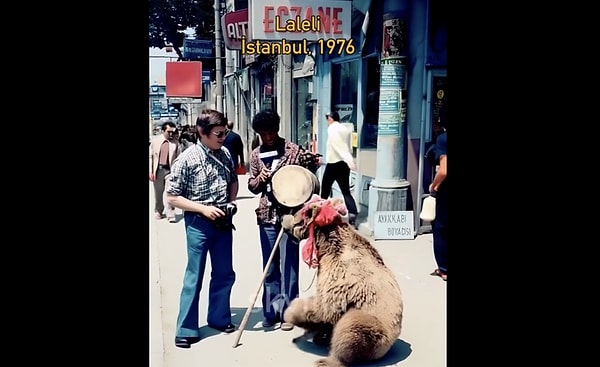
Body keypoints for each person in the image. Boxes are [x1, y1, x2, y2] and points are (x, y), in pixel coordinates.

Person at [166, 109, 239, 348]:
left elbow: (233, 181)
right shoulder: (187, 159)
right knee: (194, 277)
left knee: (224, 273)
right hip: (198, 224)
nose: (222, 138)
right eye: (218, 134)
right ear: (202, 132)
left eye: (224, 133)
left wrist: (230, 202)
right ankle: (186, 328)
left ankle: (219, 318)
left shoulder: (226, 153)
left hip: (223, 222)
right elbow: (172, 197)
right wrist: (202, 209)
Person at [247, 110, 319, 331]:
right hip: (267, 215)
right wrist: (262, 177)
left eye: (270, 132)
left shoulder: (294, 150)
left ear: (277, 129)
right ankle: (271, 311)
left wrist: (313, 164)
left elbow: (308, 178)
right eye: (263, 134)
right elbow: (252, 186)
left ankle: (289, 313)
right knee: (270, 266)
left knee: (290, 265)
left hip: (290, 215)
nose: (267, 137)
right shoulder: (256, 154)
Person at [320, 111, 359, 226]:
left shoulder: (332, 129)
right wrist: (349, 160)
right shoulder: (345, 129)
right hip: (343, 164)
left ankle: (321, 213)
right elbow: (347, 146)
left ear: (331, 119)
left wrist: (348, 159)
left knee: (325, 190)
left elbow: (338, 146)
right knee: (346, 191)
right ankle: (353, 213)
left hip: (333, 163)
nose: (327, 120)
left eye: (327, 118)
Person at [429, 114, 447, 281]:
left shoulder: (443, 139)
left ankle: (444, 269)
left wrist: (434, 185)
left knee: (441, 228)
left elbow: (444, 170)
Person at [149, 122, 181, 219]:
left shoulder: (175, 143)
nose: (171, 134)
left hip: (170, 171)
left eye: (172, 132)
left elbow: (180, 158)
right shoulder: (155, 141)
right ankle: (159, 210)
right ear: (163, 131)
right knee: (158, 192)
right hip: (158, 170)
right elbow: (150, 157)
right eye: (168, 132)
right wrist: (150, 171)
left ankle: (170, 213)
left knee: (170, 192)